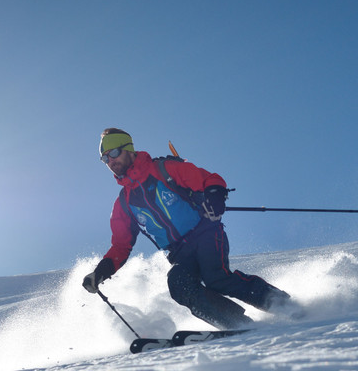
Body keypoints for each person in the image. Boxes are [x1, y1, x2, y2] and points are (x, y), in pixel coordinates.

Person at [82, 128, 294, 329]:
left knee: (216, 278)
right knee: (179, 284)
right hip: (179, 253)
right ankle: (237, 324)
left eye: (114, 153)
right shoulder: (124, 203)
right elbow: (121, 245)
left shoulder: (163, 169)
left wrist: (215, 197)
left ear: (128, 149)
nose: (110, 161)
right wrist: (100, 272)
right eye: (105, 158)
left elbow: (211, 180)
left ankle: (284, 305)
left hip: (205, 233)